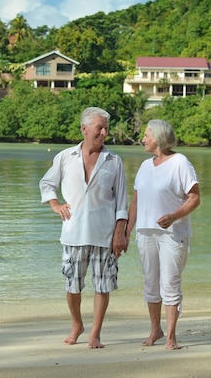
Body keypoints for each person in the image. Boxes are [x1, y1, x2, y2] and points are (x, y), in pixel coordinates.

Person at [39, 107, 128, 349]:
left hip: (105, 234)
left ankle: (95, 334)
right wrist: (55, 204)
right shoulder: (65, 157)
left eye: (106, 128)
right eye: (99, 127)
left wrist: (120, 233)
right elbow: (47, 183)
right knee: (72, 285)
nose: (103, 132)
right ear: (84, 128)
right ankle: (77, 324)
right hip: (73, 232)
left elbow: (121, 201)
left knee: (103, 285)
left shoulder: (114, 161)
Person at [125, 119, 200, 350]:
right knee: (151, 283)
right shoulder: (146, 165)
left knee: (170, 285)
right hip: (146, 233)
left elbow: (195, 198)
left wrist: (173, 216)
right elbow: (136, 200)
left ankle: (171, 337)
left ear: (157, 138)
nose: (143, 139)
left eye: (146, 135)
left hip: (172, 234)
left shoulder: (180, 163)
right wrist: (125, 232)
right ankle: (155, 330)